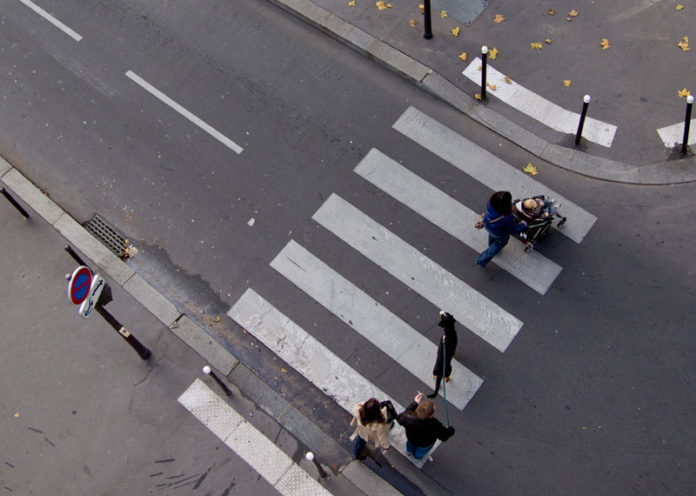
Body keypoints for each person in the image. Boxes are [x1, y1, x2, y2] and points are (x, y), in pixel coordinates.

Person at [475, 191, 527, 267]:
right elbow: (514, 230)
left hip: (488, 225)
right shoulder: (506, 217)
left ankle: (491, 245)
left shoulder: (490, 203)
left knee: (492, 236)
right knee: (498, 244)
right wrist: (523, 225)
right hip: (499, 233)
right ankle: (481, 260)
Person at [397, 393, 455, 460]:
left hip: (411, 438)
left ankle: (409, 451)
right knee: (420, 453)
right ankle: (417, 457)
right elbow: (443, 436)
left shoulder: (410, 418)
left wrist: (414, 403)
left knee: (410, 445)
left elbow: (401, 417)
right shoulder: (435, 424)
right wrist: (450, 430)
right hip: (425, 444)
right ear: (430, 416)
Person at [427, 311, 457, 398]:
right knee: (446, 368)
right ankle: (446, 377)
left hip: (440, 362)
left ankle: (437, 381)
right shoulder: (453, 336)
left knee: (438, 371)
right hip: (447, 361)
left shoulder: (444, 336)